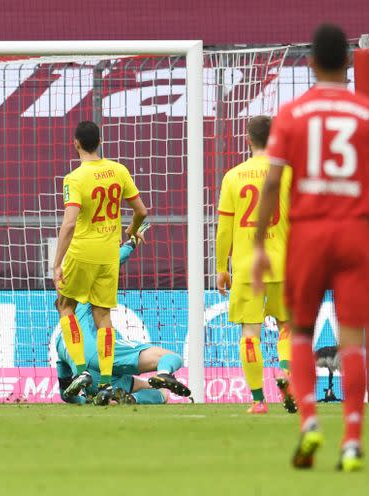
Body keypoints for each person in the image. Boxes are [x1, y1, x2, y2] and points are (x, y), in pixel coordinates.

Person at [252, 24, 369, 471]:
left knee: (300, 331)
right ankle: (353, 442)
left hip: (307, 233)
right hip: (356, 232)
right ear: (347, 62)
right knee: (353, 338)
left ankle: (308, 424)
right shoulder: (368, 111)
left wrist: (261, 240)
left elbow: (272, 183)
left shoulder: (292, 114)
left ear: (310, 62)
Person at [52, 120, 148, 406]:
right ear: (100, 141)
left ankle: (82, 371)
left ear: (76, 143)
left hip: (82, 253)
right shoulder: (118, 171)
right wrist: (131, 231)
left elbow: (69, 224)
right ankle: (105, 383)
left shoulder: (75, 178)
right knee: (103, 317)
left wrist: (57, 263)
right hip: (109, 255)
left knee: (65, 305)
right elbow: (141, 210)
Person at [216, 115, 296, 415]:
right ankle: (287, 377)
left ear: (248, 140)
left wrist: (221, 267)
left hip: (248, 266)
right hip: (284, 264)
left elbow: (224, 229)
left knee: (250, 333)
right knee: (287, 326)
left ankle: (259, 400)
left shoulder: (233, 176)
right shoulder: (287, 173)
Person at [56, 228, 191, 405]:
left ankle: (126, 399)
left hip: (93, 379)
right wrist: (131, 243)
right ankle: (163, 372)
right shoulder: (82, 300)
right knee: (171, 359)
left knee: (153, 390)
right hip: (103, 355)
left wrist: (83, 401)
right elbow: (113, 263)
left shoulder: (61, 341)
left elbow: (65, 394)